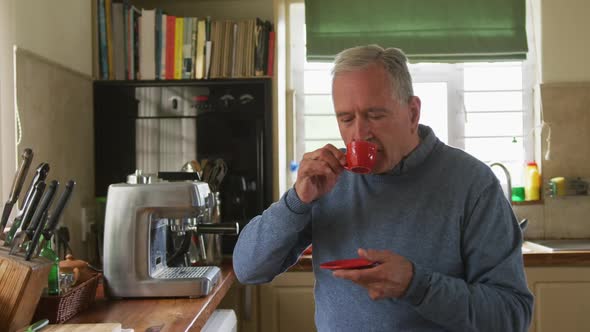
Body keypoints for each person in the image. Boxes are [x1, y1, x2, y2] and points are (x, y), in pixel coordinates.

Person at [233, 45, 533, 331]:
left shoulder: (472, 184)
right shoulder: (327, 180)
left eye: (375, 116)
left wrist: (417, 286)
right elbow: (248, 269)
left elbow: (512, 316)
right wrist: (296, 202)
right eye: (346, 119)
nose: (359, 134)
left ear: (413, 113)